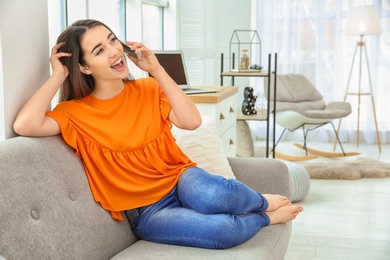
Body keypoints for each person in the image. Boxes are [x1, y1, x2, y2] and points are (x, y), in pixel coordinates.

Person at [13, 19, 303, 249]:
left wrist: (157, 70)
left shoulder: (147, 89)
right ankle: (264, 217)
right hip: (146, 212)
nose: (114, 51)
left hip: (179, 179)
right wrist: (58, 75)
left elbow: (191, 122)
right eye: (99, 50)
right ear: (84, 66)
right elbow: (25, 125)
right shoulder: (74, 112)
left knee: (216, 196)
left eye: (112, 39)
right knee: (222, 231)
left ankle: (259, 202)